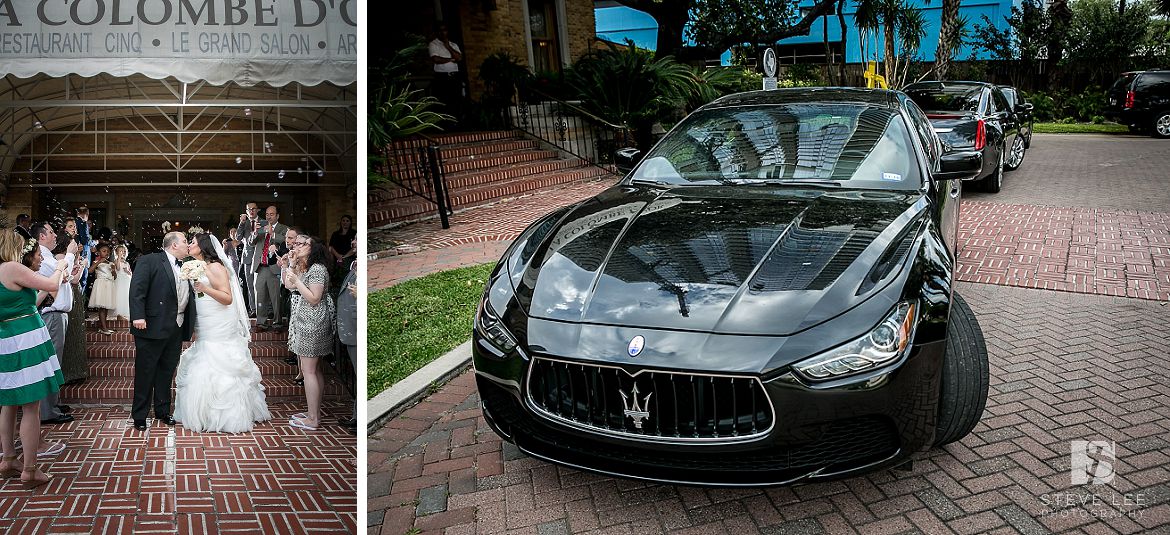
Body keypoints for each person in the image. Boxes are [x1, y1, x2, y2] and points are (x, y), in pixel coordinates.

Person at [172, 233, 271, 433]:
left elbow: (227, 298)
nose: (190, 244)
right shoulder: (197, 266)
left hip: (218, 321)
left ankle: (226, 415)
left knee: (217, 358)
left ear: (203, 246)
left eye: (193, 242)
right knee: (203, 353)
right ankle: (205, 413)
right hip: (205, 320)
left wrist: (204, 288)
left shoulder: (216, 266)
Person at [0, 231, 69, 488]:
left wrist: (48, 290)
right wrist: (62, 265)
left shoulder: (5, 273)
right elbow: (51, 284)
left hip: (7, 339)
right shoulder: (10, 267)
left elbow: (26, 302)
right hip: (24, 340)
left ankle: (8, 460)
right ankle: (29, 469)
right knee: (31, 405)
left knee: (8, 403)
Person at [128, 232, 197, 432]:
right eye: (185, 241)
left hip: (176, 326)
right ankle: (140, 415)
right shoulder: (149, 261)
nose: (187, 244)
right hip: (151, 325)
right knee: (145, 371)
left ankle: (162, 410)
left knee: (166, 371)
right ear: (174, 245)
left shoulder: (187, 265)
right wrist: (137, 316)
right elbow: (137, 289)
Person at [283, 236, 335, 431]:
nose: (297, 246)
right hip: (305, 321)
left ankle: (313, 419)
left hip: (313, 323)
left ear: (313, 249)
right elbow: (289, 286)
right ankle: (314, 412)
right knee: (314, 370)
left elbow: (314, 298)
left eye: (302, 244)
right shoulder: (306, 268)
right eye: (296, 243)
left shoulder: (318, 269)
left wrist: (297, 279)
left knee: (309, 371)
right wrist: (292, 263)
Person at [249, 206, 288, 331]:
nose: (268, 216)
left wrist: (273, 233)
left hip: (274, 267)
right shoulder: (260, 226)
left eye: (272, 214)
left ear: (277, 216)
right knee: (260, 295)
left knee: (276, 297)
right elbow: (251, 243)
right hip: (260, 267)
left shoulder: (283, 228)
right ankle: (261, 323)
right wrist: (255, 232)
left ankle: (277, 323)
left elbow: (286, 241)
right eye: (267, 214)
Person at [335, 253, 357, 432]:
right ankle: (356, 417)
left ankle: (358, 418)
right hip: (349, 327)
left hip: (356, 326)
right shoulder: (352, 264)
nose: (355, 243)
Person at [429, 23, 464, 122]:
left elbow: (459, 58)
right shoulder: (433, 44)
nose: (443, 32)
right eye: (440, 30)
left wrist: (448, 47)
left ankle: (457, 122)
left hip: (454, 76)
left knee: (457, 100)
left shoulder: (453, 44)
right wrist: (451, 59)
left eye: (444, 30)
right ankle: (445, 124)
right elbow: (436, 59)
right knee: (444, 101)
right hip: (442, 77)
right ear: (437, 32)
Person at [235, 202, 260, 316]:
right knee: (250, 284)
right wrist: (241, 223)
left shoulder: (264, 222)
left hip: (261, 257)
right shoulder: (244, 224)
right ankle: (253, 309)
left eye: (254, 209)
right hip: (248, 257)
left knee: (262, 284)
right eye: (249, 209)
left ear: (257, 210)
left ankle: (266, 309)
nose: (251, 211)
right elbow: (238, 238)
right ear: (246, 211)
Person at [88, 244, 117, 335]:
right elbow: (90, 271)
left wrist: (113, 271)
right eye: (104, 251)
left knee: (106, 307)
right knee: (102, 308)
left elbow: (115, 277)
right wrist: (99, 262)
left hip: (109, 285)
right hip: (101, 285)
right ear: (98, 252)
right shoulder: (96, 261)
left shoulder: (111, 263)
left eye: (108, 251)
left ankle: (103, 327)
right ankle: (104, 328)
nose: (106, 253)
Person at [112, 244, 132, 321]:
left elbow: (130, 273)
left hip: (126, 280)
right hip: (120, 280)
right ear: (116, 253)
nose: (122, 253)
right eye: (120, 251)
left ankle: (124, 313)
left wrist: (127, 272)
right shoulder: (116, 261)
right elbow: (118, 268)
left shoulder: (127, 262)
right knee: (120, 296)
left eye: (124, 251)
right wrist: (119, 258)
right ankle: (119, 314)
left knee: (126, 296)